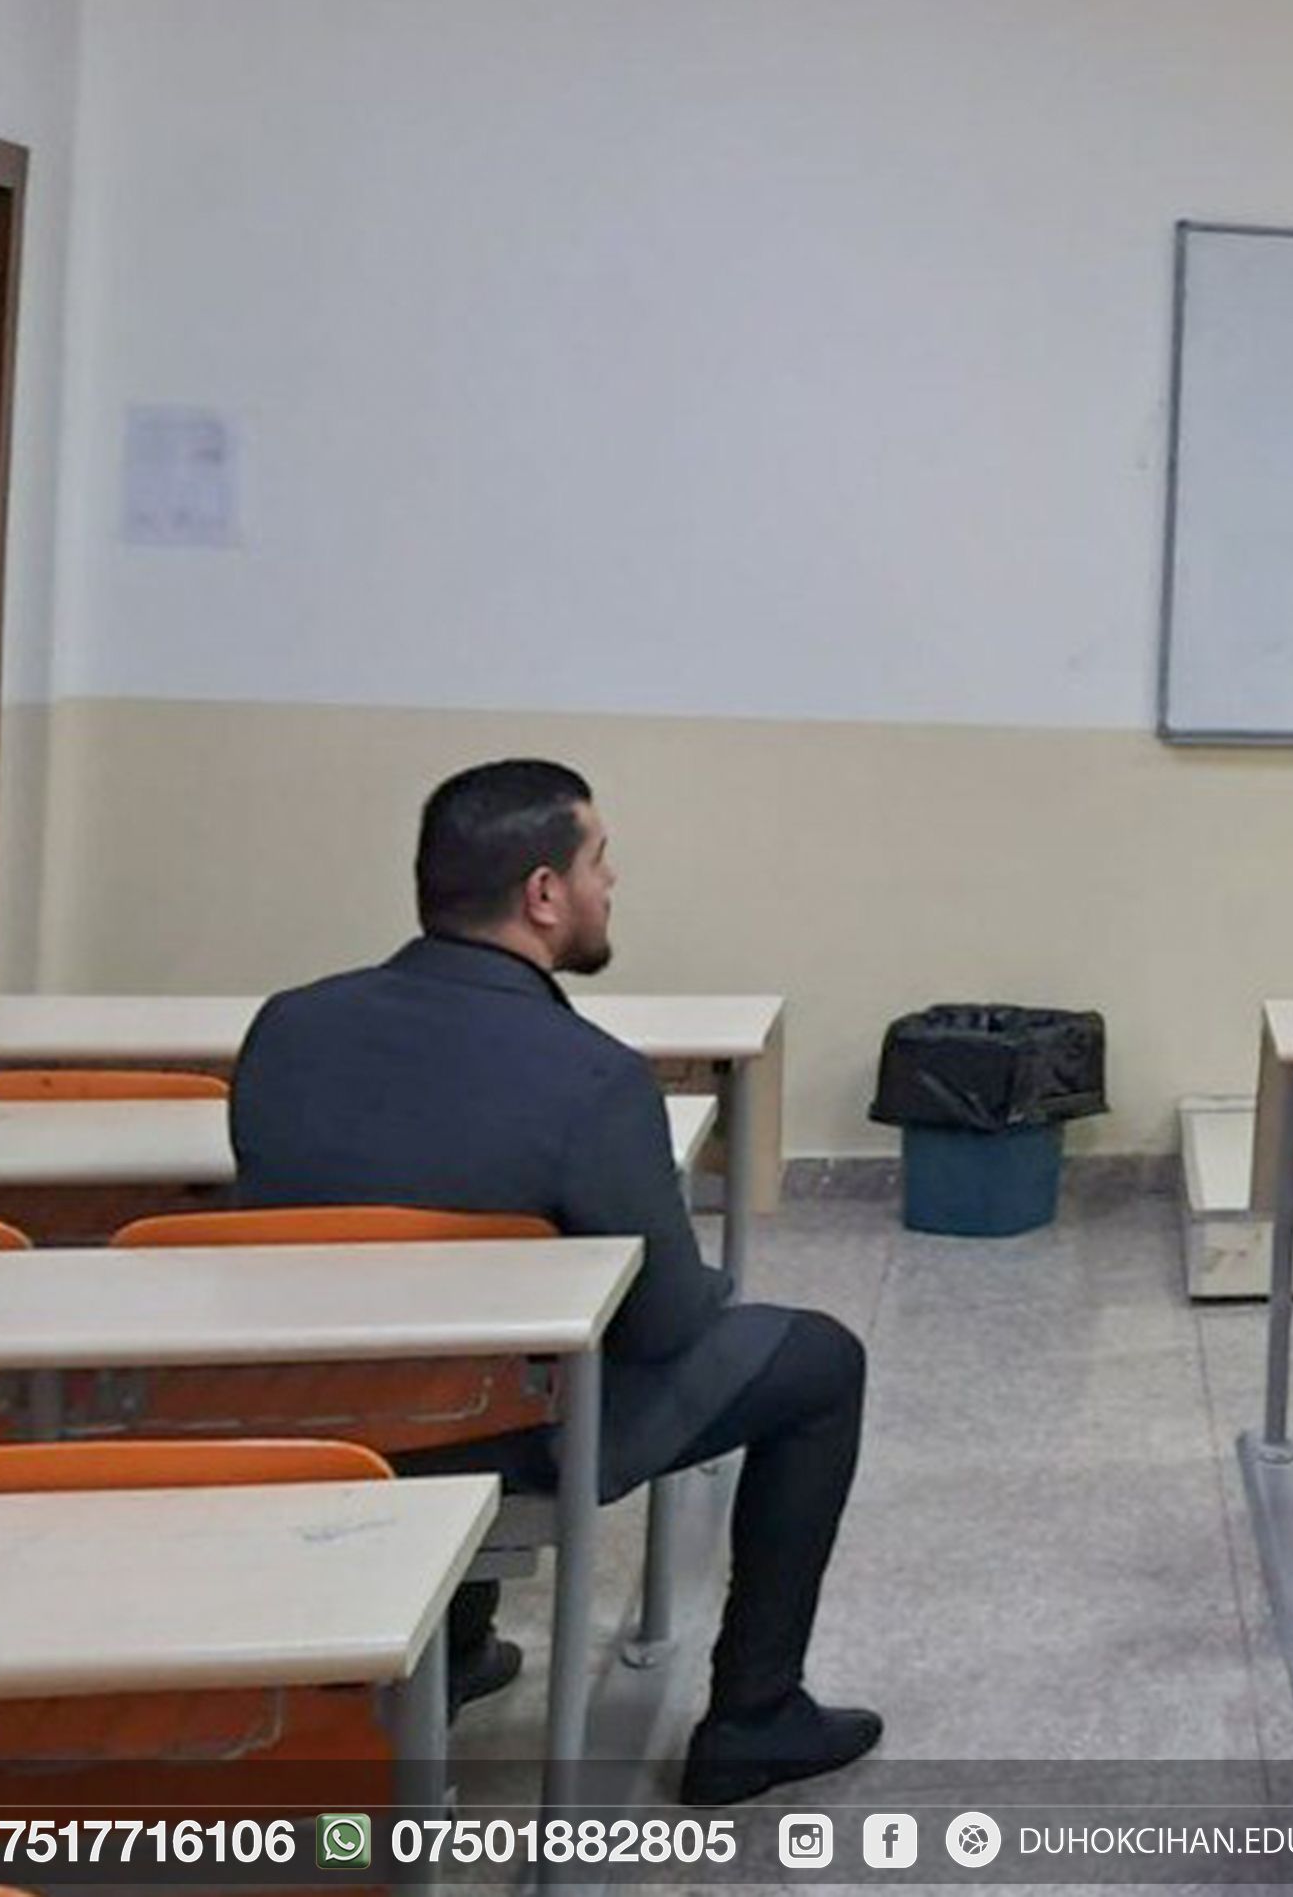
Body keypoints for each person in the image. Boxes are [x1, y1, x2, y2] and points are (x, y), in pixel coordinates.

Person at [225, 761, 881, 1804]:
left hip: (301, 1412)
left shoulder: (286, 1027)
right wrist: (705, 1286)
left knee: (445, 1340)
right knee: (818, 1359)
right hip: (502, 1428)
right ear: (542, 893)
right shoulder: (591, 1075)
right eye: (598, 861)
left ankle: (459, 1649)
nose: (610, 883)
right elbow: (663, 1324)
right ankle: (754, 1716)